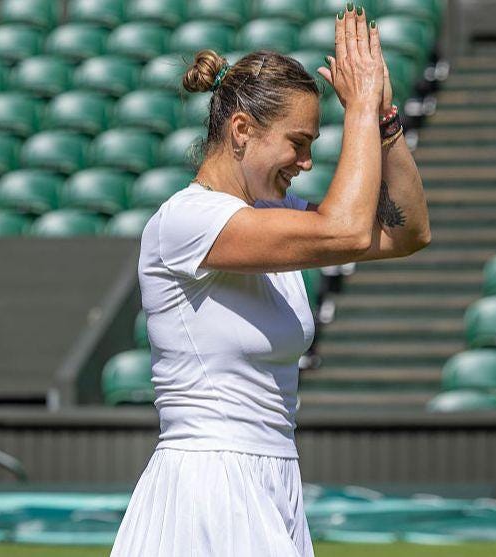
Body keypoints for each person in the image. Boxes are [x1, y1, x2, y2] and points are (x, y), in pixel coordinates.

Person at [111, 6, 430, 557]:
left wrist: (382, 117)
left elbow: (407, 233)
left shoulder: (274, 218)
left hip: (273, 478)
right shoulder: (187, 220)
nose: (307, 162)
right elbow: (349, 230)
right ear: (241, 130)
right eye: (299, 142)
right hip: (209, 486)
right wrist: (355, 108)